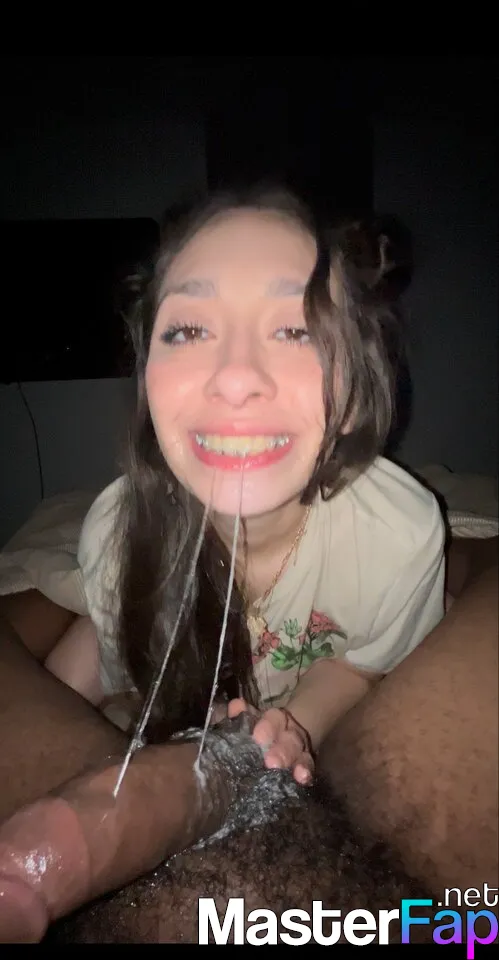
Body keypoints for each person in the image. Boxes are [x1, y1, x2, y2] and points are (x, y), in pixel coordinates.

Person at [42, 184, 446, 786]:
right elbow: (110, 672)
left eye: (296, 331)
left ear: (357, 396)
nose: (234, 379)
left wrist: (296, 726)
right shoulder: (116, 536)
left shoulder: (399, 538)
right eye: (188, 331)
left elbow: (359, 665)